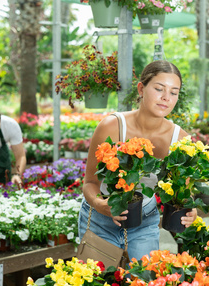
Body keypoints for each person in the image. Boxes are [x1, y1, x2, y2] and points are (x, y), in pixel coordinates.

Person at [78, 60, 197, 264]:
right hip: (100, 221)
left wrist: (190, 208)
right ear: (141, 89)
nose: (166, 98)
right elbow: (90, 183)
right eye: (159, 89)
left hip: (144, 223)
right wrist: (100, 205)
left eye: (174, 92)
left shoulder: (181, 139)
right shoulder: (112, 127)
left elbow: (183, 192)